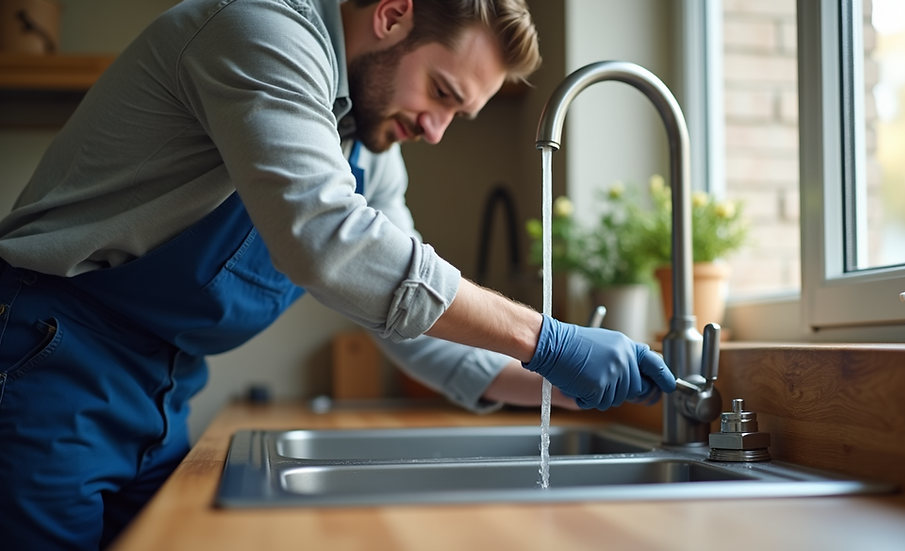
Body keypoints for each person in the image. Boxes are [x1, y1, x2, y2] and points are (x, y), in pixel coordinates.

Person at [0, 0, 677, 549]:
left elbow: (406, 316)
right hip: (51, 362)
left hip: (160, 392)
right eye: (440, 92)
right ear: (393, 14)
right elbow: (327, 241)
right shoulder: (262, 33)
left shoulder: (366, 147)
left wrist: (555, 382)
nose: (437, 130)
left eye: (457, 114)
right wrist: (552, 339)